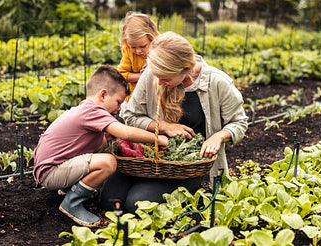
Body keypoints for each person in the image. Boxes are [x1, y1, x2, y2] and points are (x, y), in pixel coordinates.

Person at [99, 31, 248, 213]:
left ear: (184, 70)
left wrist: (217, 137)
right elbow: (130, 115)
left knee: (135, 204)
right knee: (108, 200)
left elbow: (239, 123)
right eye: (156, 76)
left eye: (165, 78)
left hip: (187, 165)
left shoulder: (218, 83)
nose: (158, 82)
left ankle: (190, 189)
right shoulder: (154, 74)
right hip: (147, 157)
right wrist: (164, 126)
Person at [33, 65, 168, 227]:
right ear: (103, 95)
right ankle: (71, 203)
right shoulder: (93, 110)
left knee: (101, 143)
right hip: (51, 172)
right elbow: (124, 133)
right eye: (118, 102)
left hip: (49, 168)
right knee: (108, 162)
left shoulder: (85, 109)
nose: (119, 109)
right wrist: (157, 138)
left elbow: (103, 141)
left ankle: (69, 187)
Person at [117, 12, 159, 116]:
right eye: (134, 47)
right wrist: (143, 76)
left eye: (143, 46)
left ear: (151, 37)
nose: (138, 51)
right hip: (132, 98)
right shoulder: (128, 52)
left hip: (155, 98)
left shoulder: (160, 49)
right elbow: (121, 75)